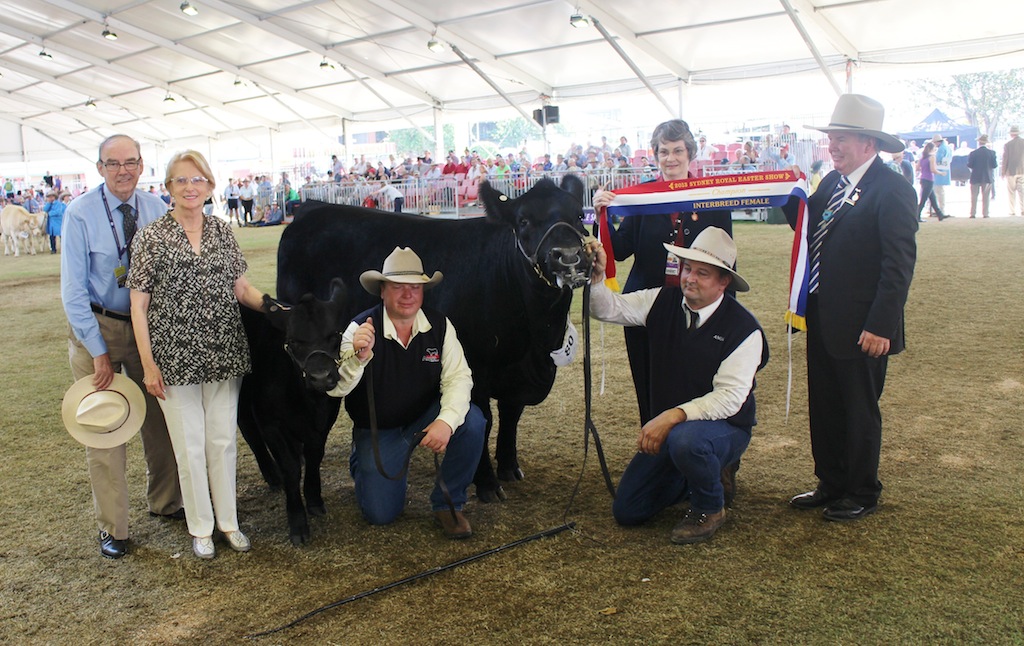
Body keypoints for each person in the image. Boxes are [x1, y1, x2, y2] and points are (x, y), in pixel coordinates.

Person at [783, 94, 917, 522]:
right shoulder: (831, 185)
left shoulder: (892, 189)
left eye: (841, 139)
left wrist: (881, 325)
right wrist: (783, 192)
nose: (833, 146)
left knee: (859, 408)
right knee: (825, 403)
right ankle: (831, 482)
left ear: (868, 144)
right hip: (823, 316)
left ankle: (862, 490)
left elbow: (898, 265)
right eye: (832, 138)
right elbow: (808, 230)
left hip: (864, 326)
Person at [127, 149, 267, 559]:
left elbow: (242, 289)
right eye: (181, 180)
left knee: (222, 441)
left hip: (225, 354)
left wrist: (277, 308)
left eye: (198, 180)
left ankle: (229, 522)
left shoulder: (222, 232)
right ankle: (201, 527)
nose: (190, 187)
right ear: (168, 188)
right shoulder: (151, 237)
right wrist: (149, 365)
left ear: (210, 186)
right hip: (174, 360)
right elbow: (138, 306)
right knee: (188, 445)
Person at [587, 228, 767, 544]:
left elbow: (730, 399)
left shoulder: (745, 329)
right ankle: (693, 476)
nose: (690, 278)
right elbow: (607, 309)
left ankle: (710, 507)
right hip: (674, 431)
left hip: (722, 427)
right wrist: (598, 278)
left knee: (688, 442)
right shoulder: (661, 299)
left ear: (724, 281)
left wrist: (671, 416)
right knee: (628, 510)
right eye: (687, 268)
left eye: (703, 273)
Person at [60, 134, 183, 559]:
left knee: (161, 419)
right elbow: (73, 292)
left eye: (130, 162)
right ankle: (114, 528)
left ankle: (168, 502)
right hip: (101, 329)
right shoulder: (79, 214)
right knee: (105, 428)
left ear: (141, 164)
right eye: (113, 164)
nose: (123, 170)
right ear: (99, 169)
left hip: (148, 328)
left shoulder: (157, 209)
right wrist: (97, 351)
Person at [325, 247, 486, 538]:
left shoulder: (439, 325)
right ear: (382, 291)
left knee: (473, 421)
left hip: (426, 416)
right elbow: (337, 389)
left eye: (415, 287)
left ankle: (448, 503)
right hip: (379, 430)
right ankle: (361, 460)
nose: (408, 294)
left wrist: (445, 422)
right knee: (381, 515)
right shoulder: (359, 329)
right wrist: (359, 358)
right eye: (398, 287)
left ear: (423, 291)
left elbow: (459, 378)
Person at [592, 118, 733, 426]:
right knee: (649, 385)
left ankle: (699, 450)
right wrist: (601, 216)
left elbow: (727, 259)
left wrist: (727, 310)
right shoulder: (642, 197)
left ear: (690, 153)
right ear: (655, 155)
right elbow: (619, 248)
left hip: (697, 306)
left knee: (697, 382)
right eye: (663, 151)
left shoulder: (712, 197)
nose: (671, 158)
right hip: (648, 308)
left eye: (678, 150)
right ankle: (653, 452)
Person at [967, 134, 997, 218]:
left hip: (975, 176)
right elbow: (994, 165)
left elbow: (970, 165)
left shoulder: (973, 153)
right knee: (986, 197)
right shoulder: (991, 153)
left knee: (974, 196)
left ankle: (973, 213)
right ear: (986, 143)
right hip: (987, 177)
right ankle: (985, 213)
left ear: (979, 143)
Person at [916, 142, 947, 221]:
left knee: (932, 198)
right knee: (924, 199)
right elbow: (933, 169)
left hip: (923, 178)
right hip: (929, 179)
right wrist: (941, 173)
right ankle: (917, 215)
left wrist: (924, 170)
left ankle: (940, 214)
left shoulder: (922, 158)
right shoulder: (932, 157)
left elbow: (917, 168)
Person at [1001, 125, 1024, 216]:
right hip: (1022, 171)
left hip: (1010, 171)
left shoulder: (1007, 145)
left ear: (1011, 134)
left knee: (1011, 192)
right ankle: (1023, 209)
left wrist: (1003, 172)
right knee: (1021, 191)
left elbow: (1005, 159)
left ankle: (1012, 210)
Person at [932, 135, 952, 213]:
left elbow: (937, 159)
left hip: (939, 171)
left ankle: (939, 209)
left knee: (938, 191)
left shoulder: (941, 149)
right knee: (940, 191)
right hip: (944, 170)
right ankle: (940, 209)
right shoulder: (947, 148)